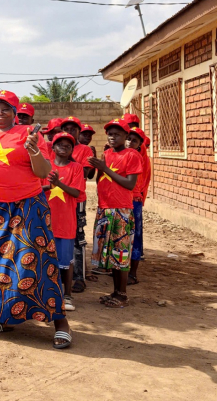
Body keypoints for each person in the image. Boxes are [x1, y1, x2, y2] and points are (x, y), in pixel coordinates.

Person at [0, 92, 72, 349]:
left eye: (6, 108)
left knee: (37, 264)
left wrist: (33, 152)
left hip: (27, 207)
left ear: (15, 111)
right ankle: (1, 316)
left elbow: (43, 172)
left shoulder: (29, 133)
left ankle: (60, 322)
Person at [88, 119, 142, 309]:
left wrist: (105, 169)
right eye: (110, 133)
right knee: (110, 253)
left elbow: (130, 184)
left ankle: (122, 294)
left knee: (121, 253)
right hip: (105, 208)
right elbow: (100, 181)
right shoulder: (107, 153)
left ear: (126, 136)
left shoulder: (132, 155)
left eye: (117, 134)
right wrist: (99, 168)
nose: (112, 137)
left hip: (121, 209)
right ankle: (115, 291)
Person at [42, 132, 85, 312]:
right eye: (60, 144)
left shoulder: (76, 168)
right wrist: (49, 186)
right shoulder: (45, 167)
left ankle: (67, 295)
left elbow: (76, 193)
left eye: (68, 145)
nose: (64, 147)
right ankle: (46, 293)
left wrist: (58, 185)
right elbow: (36, 188)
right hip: (45, 220)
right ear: (53, 147)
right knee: (44, 258)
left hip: (66, 221)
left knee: (66, 260)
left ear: (72, 149)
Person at [59, 117, 95, 294]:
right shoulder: (56, 148)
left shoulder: (85, 149)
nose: (70, 131)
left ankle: (79, 277)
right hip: (58, 202)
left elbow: (86, 173)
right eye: (66, 128)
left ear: (79, 132)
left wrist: (68, 155)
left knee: (77, 237)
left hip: (77, 199)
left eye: (74, 129)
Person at [126, 127, 151, 285]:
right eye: (128, 138)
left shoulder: (141, 158)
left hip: (134, 199)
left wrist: (141, 198)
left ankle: (133, 273)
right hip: (120, 200)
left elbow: (145, 180)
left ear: (140, 143)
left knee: (135, 237)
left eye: (134, 140)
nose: (129, 142)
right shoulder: (118, 153)